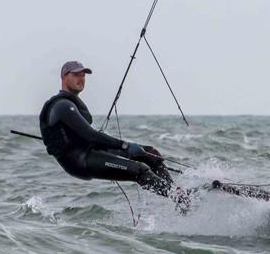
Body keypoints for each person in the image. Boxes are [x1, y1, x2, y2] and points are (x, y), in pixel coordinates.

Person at [39, 60, 174, 198]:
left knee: (151, 154)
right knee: (140, 170)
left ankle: (177, 193)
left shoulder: (71, 103)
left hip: (90, 151)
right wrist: (124, 145)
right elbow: (90, 135)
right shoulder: (62, 105)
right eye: (76, 75)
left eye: (83, 75)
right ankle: (179, 198)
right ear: (64, 77)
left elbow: (84, 136)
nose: (81, 79)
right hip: (79, 161)